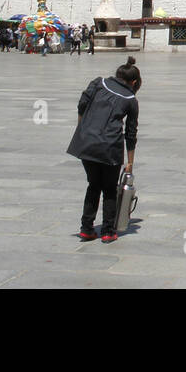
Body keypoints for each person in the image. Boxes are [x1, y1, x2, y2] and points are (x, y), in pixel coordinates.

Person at [67, 57, 141, 243]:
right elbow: (130, 134)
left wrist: (81, 130)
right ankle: (108, 231)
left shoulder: (98, 83)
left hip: (87, 143)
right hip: (110, 147)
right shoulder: (131, 99)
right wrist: (130, 162)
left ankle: (86, 228)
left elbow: (82, 104)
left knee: (93, 185)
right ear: (133, 82)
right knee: (109, 189)